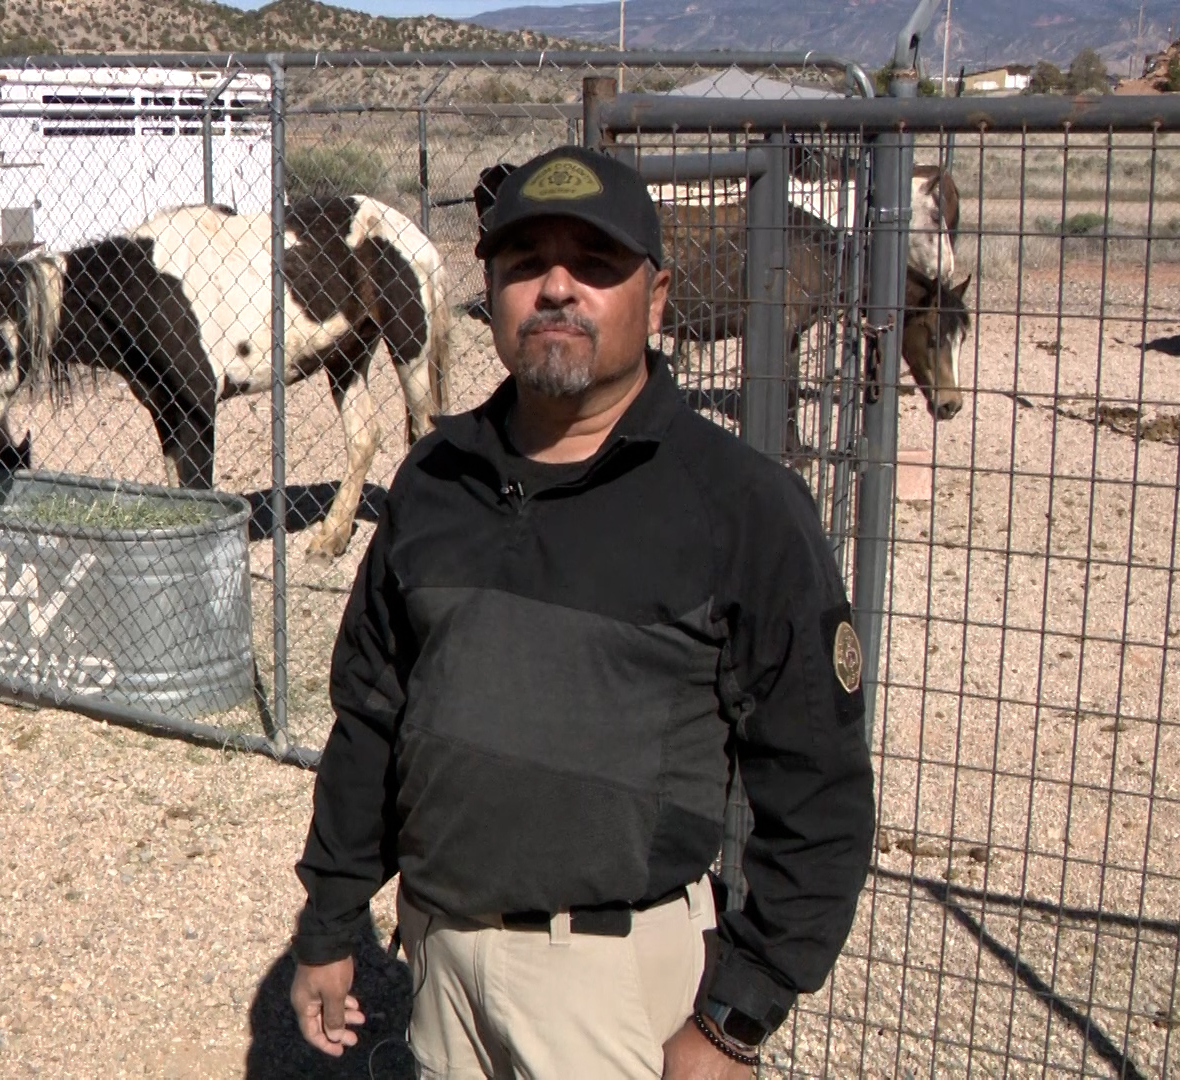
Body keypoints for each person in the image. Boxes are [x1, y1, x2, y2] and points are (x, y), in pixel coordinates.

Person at [285, 145, 876, 1077]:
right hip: (440, 972)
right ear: (491, 290)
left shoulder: (740, 508)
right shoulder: (435, 481)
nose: (557, 287)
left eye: (595, 264)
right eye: (525, 263)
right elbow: (371, 717)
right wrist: (329, 916)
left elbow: (820, 792)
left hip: (616, 992)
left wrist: (736, 1015)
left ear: (659, 294)